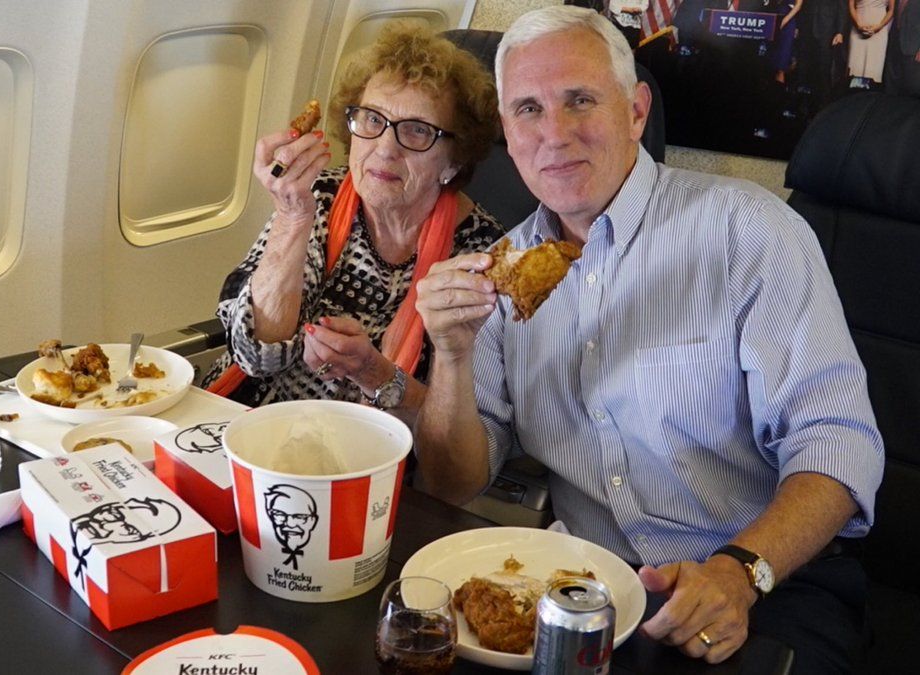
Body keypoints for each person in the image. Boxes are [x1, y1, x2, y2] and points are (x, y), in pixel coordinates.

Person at [414, 6, 883, 673]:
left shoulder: (747, 233)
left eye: (580, 100)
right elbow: (457, 479)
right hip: (589, 584)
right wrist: (454, 356)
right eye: (527, 110)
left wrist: (738, 572)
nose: (555, 133)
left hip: (767, 578)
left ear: (635, 112)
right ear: (507, 136)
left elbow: (840, 447)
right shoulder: (498, 276)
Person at [201, 22, 504, 421]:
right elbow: (255, 355)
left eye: (417, 131)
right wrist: (293, 219)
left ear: (456, 158)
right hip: (240, 420)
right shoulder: (317, 196)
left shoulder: (483, 254)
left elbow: (462, 429)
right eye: (373, 120)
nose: (384, 148)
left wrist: (374, 373)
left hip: (361, 454)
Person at [848, 0, 896, 87]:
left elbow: (891, 10)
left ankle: (870, 95)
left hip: (879, 30)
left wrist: (879, 26)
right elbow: (851, 7)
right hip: (858, 28)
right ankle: (854, 95)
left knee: (873, 69)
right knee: (855, 69)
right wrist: (858, 25)